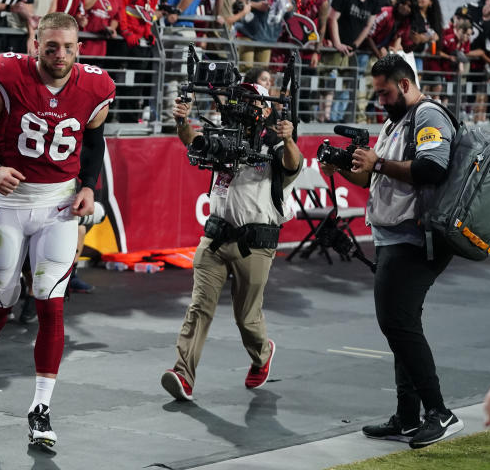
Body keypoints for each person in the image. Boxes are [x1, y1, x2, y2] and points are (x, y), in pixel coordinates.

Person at [0, 11, 115, 447]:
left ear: (79, 47)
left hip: (59, 206)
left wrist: (89, 185)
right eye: (51, 47)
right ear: (36, 45)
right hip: (11, 203)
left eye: (68, 47)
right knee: (2, 299)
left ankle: (40, 408)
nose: (60, 55)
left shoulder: (96, 86)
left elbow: (93, 137)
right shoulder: (8, 74)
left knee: (51, 303)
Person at [321, 54, 464, 448]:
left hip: (418, 238)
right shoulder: (394, 121)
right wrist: (344, 167)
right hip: (394, 236)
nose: (379, 100)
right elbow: (373, 179)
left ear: (404, 84)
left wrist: (380, 162)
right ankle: (407, 416)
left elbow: (432, 169)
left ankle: (441, 412)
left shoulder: (429, 116)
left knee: (397, 324)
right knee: (403, 325)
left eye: (384, 92)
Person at [161, 83, 301, 402]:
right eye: (239, 99)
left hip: (255, 242)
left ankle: (262, 354)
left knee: (246, 316)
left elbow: (293, 164)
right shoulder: (224, 136)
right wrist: (182, 122)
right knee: (199, 307)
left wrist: (289, 138)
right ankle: (183, 373)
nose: (243, 107)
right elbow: (195, 141)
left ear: (266, 109)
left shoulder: (274, 145)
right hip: (215, 235)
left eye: (251, 101)